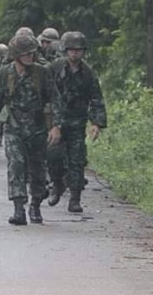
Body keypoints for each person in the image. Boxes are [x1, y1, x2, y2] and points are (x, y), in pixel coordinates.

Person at [0, 35, 63, 225]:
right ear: (16, 54)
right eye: (25, 53)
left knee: (37, 168)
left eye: (32, 52)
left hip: (37, 127)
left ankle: (35, 205)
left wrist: (56, 126)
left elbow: (56, 99)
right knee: (16, 165)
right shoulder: (3, 74)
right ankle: (18, 207)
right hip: (14, 126)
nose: (30, 56)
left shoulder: (42, 73)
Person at [46, 32, 107, 213]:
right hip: (56, 122)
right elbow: (45, 93)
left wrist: (96, 123)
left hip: (77, 122)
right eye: (71, 49)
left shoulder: (88, 73)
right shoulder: (54, 68)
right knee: (53, 157)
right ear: (65, 50)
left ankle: (75, 198)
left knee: (77, 160)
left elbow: (96, 98)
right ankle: (57, 185)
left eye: (78, 50)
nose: (75, 53)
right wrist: (51, 123)